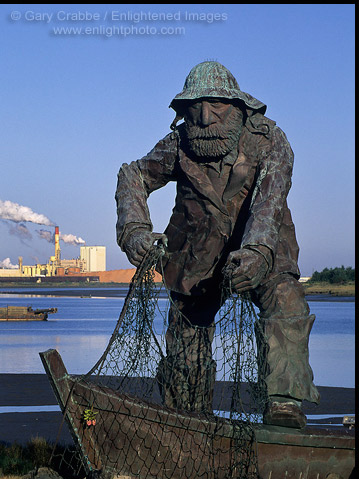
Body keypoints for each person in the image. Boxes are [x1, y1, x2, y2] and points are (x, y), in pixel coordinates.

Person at [115, 61, 320, 428]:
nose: (206, 117)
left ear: (238, 106)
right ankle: (188, 417)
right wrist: (134, 230)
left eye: (216, 106)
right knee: (187, 333)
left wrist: (257, 252)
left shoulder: (270, 141)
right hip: (195, 259)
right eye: (195, 107)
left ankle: (284, 406)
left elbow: (268, 202)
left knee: (286, 302)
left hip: (264, 252)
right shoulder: (179, 144)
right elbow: (134, 174)